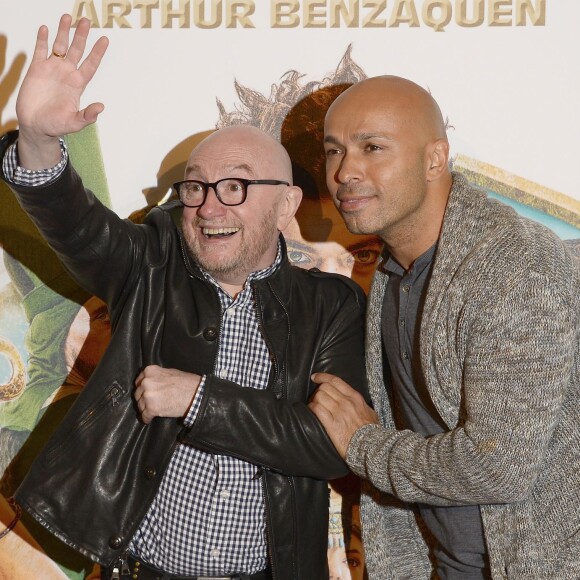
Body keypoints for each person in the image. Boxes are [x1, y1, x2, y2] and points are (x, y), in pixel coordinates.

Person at [0, 14, 368, 580]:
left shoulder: (333, 305)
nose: (209, 207)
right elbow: (77, 225)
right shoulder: (150, 266)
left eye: (236, 186)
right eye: (195, 186)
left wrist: (198, 399)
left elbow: (324, 445)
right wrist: (40, 140)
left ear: (287, 204)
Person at [309, 75, 580, 579]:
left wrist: (363, 445)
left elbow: (499, 467)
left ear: (435, 159)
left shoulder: (514, 263)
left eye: (373, 147)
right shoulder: (395, 271)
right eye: (333, 151)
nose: (345, 171)